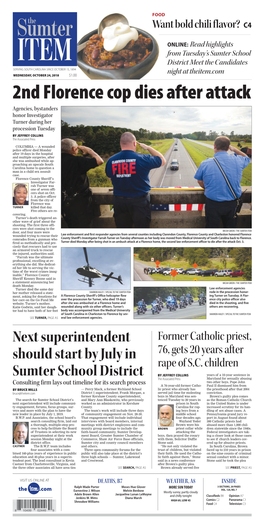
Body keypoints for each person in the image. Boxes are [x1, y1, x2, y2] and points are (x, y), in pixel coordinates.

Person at [105, 132, 166, 228]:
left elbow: (110, 177)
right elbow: (162, 160)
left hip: (119, 202)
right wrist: (148, 148)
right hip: (139, 202)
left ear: (121, 144)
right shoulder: (143, 159)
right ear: (134, 144)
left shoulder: (111, 160)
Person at [194, 136, 250, 228]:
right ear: (228, 148)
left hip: (213, 204)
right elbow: (247, 158)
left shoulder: (205, 163)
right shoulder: (238, 160)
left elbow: (199, 181)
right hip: (232, 204)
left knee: (211, 228)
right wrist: (235, 149)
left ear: (214, 146)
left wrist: (207, 187)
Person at [61, 138, 103, 228]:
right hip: (81, 204)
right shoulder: (77, 161)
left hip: (64, 204)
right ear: (73, 149)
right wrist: (89, 150)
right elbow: (99, 161)